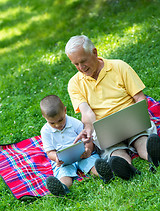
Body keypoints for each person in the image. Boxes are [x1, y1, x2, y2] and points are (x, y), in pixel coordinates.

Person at [65, 35, 160, 181]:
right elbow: (86, 112)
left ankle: (154, 156)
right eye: (76, 64)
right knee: (116, 152)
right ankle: (126, 169)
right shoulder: (74, 83)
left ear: (95, 52)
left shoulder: (119, 66)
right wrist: (88, 128)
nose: (81, 68)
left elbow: (140, 98)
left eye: (83, 61)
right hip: (105, 129)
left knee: (142, 140)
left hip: (131, 118)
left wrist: (139, 114)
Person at [40, 95, 105, 196]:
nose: (57, 125)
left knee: (92, 163)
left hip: (81, 155)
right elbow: (49, 152)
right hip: (63, 161)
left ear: (65, 110)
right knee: (64, 174)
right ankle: (62, 188)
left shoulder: (75, 123)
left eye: (60, 120)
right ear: (44, 117)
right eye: (52, 123)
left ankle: (104, 173)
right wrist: (56, 158)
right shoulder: (45, 131)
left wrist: (88, 150)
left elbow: (87, 139)